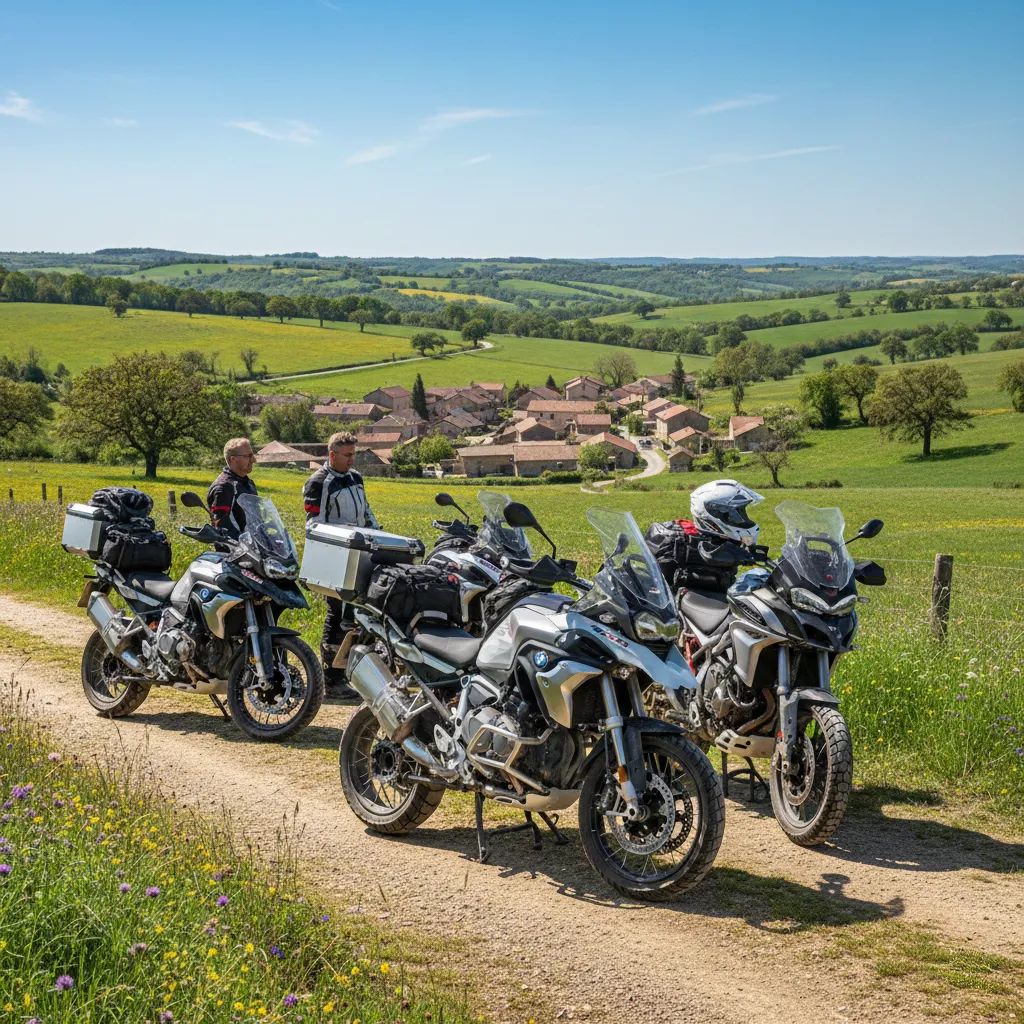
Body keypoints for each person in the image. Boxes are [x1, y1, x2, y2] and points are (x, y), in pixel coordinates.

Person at [303, 431, 379, 698]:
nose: (352, 460)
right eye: (347, 455)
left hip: (361, 554)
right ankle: (331, 679)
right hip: (334, 556)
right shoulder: (318, 483)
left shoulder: (356, 478)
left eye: (354, 455)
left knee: (357, 615)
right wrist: (345, 539)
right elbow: (315, 525)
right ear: (332, 455)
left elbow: (366, 513)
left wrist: (379, 536)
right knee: (338, 615)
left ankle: (351, 672)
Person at [208, 438, 258, 539]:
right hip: (236, 551)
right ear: (233, 459)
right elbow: (221, 527)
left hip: (254, 548)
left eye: (252, 455)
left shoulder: (248, 483)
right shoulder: (224, 487)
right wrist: (242, 545)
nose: (254, 459)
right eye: (248, 456)